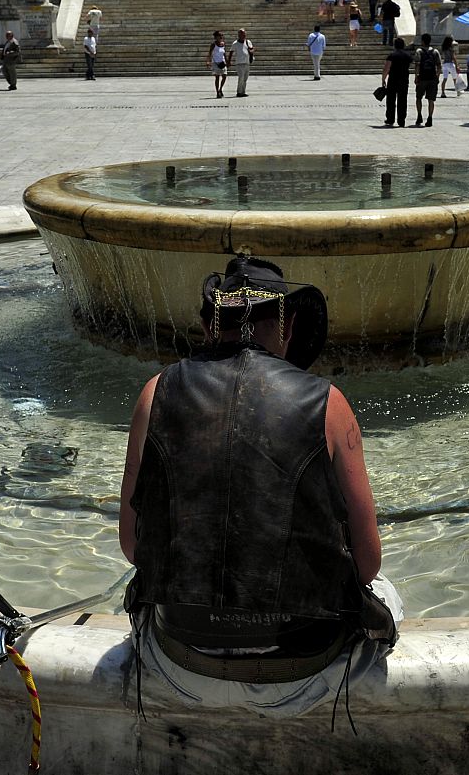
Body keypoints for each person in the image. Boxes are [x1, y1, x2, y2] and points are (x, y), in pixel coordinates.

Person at [119, 257, 397, 709]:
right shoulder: (329, 403)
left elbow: (133, 548)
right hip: (303, 669)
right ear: (286, 329)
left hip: (183, 663)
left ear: (211, 328)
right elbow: (367, 564)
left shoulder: (156, 393)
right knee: (384, 592)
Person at [381, 38, 412, 128]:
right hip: (404, 80)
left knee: (391, 100)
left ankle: (390, 119)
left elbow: (386, 68)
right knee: (402, 100)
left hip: (393, 80)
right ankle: (401, 120)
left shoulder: (392, 55)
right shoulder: (407, 55)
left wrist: (383, 79)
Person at [413, 34, 440, 128]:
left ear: (422, 41)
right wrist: (437, 76)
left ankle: (419, 115)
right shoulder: (435, 51)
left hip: (422, 78)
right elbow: (439, 65)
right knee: (431, 100)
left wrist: (416, 76)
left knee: (418, 97)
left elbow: (417, 65)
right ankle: (430, 118)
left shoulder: (419, 51)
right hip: (432, 78)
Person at [230, 28, 255, 98]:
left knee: (245, 78)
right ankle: (239, 92)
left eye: (244, 34)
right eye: (241, 34)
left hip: (247, 62)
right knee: (241, 78)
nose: (243, 35)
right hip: (239, 63)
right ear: (238, 35)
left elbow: (252, 48)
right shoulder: (235, 43)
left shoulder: (248, 42)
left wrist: (252, 51)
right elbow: (231, 52)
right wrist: (229, 61)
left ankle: (243, 91)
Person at [208, 31, 227, 98]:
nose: (221, 37)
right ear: (216, 37)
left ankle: (220, 89)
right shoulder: (213, 44)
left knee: (224, 76)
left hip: (222, 62)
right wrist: (208, 61)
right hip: (216, 62)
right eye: (220, 35)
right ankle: (217, 92)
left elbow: (224, 53)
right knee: (217, 77)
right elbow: (210, 53)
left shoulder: (223, 44)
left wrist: (227, 61)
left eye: (222, 35)